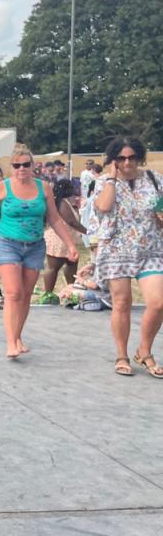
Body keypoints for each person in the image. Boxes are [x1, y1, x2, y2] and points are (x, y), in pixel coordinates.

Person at [0, 143, 79, 359]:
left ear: (33, 165)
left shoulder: (44, 188)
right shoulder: (2, 187)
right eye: (16, 165)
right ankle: (11, 342)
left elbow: (54, 219)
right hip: (7, 243)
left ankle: (18, 335)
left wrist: (70, 245)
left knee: (26, 295)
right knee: (13, 292)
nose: (21, 169)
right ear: (11, 167)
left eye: (25, 164)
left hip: (34, 245)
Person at [91, 136, 163, 378]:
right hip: (116, 249)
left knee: (158, 302)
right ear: (113, 160)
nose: (127, 162)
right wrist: (112, 178)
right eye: (121, 158)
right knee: (122, 303)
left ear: (139, 157)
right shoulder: (104, 182)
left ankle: (144, 350)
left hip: (150, 248)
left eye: (132, 157)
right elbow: (102, 207)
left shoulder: (154, 180)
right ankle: (121, 354)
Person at [40, 178, 86, 303]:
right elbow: (71, 222)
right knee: (54, 267)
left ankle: (71, 291)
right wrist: (87, 231)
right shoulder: (62, 203)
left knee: (71, 264)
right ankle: (48, 294)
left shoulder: (67, 202)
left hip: (68, 239)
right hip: (58, 239)